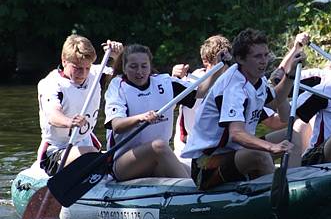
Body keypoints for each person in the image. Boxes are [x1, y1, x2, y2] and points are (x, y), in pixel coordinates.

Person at [182, 28, 301, 191]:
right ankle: (277, 203)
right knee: (260, 154)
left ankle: (295, 190)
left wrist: (290, 75)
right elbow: (237, 134)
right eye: (257, 56)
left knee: (293, 137)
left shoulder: (256, 79)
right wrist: (271, 147)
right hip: (206, 165)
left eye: (266, 55)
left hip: (237, 153)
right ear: (240, 59)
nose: (264, 61)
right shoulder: (234, 87)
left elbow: (274, 102)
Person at [104, 44, 204, 181]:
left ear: (150, 66)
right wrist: (141, 118)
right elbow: (117, 125)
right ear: (125, 68)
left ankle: (197, 193)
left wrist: (223, 66)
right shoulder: (117, 86)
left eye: (144, 66)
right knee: (159, 146)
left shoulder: (165, 82)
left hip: (156, 159)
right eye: (133, 67)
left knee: (194, 176)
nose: (139, 72)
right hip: (123, 163)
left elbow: (202, 91)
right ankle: (192, 197)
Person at [37, 35, 123, 174]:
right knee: (93, 155)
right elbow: (53, 115)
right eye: (77, 68)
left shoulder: (96, 74)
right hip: (57, 151)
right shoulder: (51, 84)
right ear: (64, 61)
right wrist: (70, 122)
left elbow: (124, 76)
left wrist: (118, 55)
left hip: (87, 144)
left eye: (87, 68)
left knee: (115, 155)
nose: (83, 74)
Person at [172, 35, 232, 161]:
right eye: (219, 62)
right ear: (205, 61)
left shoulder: (234, 82)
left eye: (226, 65)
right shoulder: (192, 79)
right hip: (188, 154)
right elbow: (200, 92)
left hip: (219, 150)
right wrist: (175, 77)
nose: (225, 71)